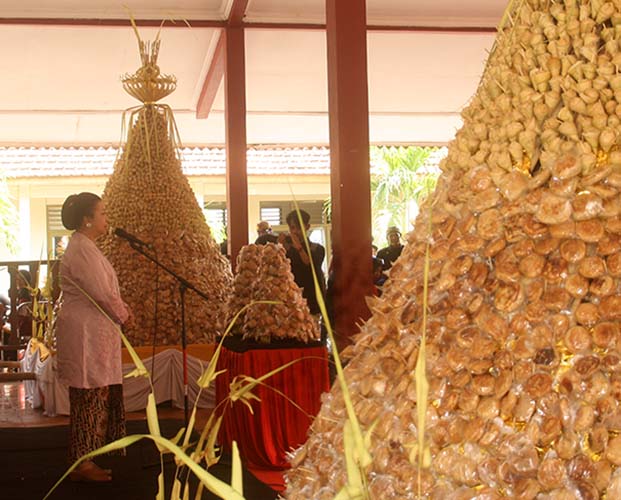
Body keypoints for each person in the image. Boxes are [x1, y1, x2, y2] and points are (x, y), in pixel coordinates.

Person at [55, 192, 131, 483]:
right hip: (86, 333)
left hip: (94, 330)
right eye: (102, 213)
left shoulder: (86, 246)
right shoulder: (82, 249)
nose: (106, 219)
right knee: (89, 396)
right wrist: (123, 313)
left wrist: (121, 310)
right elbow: (100, 293)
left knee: (94, 394)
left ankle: (87, 457)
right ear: (87, 220)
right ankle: (83, 462)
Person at [280, 210, 326, 320]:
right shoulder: (287, 250)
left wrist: (298, 246)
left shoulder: (317, 249)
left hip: (312, 303)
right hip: (291, 305)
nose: (295, 231)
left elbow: (308, 263)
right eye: (292, 228)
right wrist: (280, 248)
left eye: (299, 227)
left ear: (307, 227)